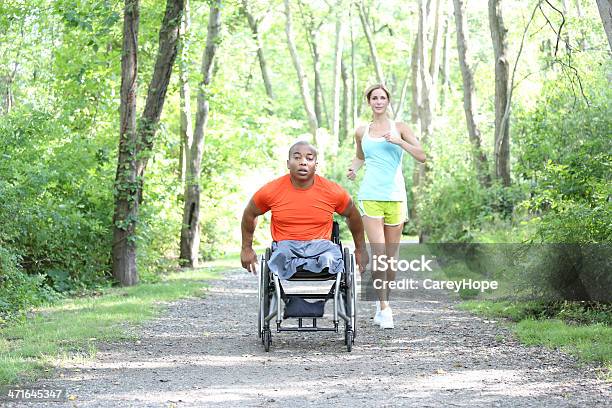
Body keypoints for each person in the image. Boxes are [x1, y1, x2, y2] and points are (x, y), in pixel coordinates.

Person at [347, 83, 426, 329]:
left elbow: (422, 155)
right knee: (379, 254)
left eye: (382, 97)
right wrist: (353, 169)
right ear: (369, 102)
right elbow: (360, 156)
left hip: (396, 197)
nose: (379, 101)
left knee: (391, 260)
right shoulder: (362, 131)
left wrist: (399, 142)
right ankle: (384, 308)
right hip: (370, 195)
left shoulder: (400, 128)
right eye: (374, 98)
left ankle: (383, 300)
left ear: (388, 101)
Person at [241, 141, 368, 280]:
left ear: (315, 165)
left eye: (309, 158)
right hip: (286, 246)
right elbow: (250, 213)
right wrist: (246, 248)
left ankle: (307, 264)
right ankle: (303, 264)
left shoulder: (332, 191)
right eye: (297, 157)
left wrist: (360, 249)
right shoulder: (271, 190)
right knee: (280, 255)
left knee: (333, 255)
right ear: (288, 163)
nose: (303, 162)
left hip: (321, 247)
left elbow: (352, 215)